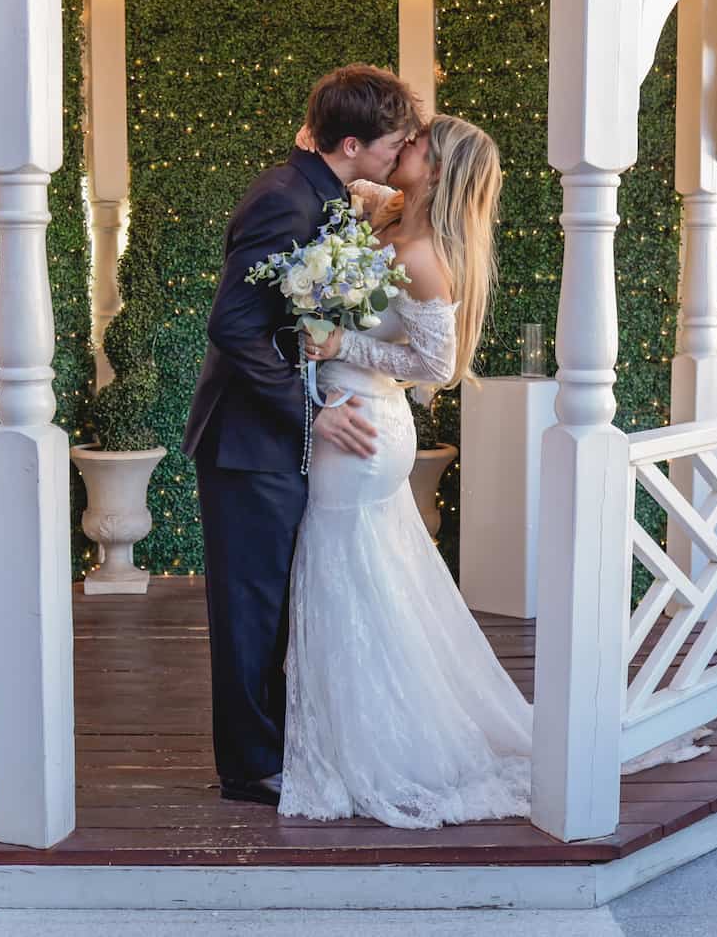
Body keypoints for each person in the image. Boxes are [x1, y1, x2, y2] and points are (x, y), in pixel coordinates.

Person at [281, 113, 531, 828]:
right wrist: (320, 144)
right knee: (367, 582)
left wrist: (340, 348)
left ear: (440, 167)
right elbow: (344, 167)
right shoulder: (384, 212)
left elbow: (438, 367)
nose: (403, 145)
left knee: (340, 574)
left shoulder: (423, 253)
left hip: (364, 428)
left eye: (416, 143)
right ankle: (363, 725)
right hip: (347, 413)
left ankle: (375, 749)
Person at [183, 64, 420, 806]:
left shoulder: (320, 195)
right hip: (248, 444)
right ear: (351, 144)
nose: (397, 156)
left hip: (276, 438)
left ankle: (277, 746)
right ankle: (250, 769)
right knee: (251, 610)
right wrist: (311, 411)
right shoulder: (284, 201)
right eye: (391, 144)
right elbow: (232, 325)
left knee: (277, 605)